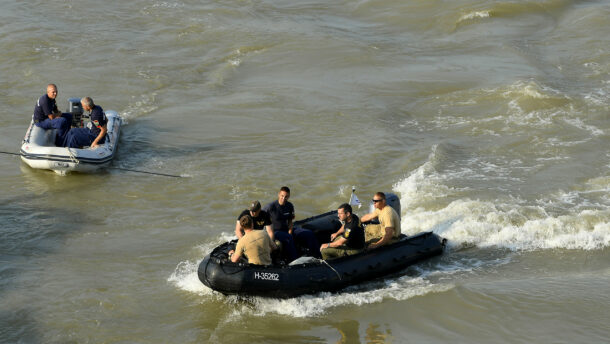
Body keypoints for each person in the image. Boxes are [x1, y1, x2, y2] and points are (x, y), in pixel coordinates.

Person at [263, 186, 320, 260]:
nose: (283, 198)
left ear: (289, 196)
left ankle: (317, 256)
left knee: (309, 233)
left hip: (286, 229)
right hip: (275, 232)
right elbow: (259, 216)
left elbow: (290, 222)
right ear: (278, 194)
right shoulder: (270, 207)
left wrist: (290, 232)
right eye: (282, 196)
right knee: (289, 238)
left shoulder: (290, 206)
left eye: (286, 197)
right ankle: (294, 260)